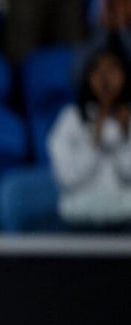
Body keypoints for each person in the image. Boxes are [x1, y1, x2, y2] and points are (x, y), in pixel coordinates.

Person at [48, 40, 131, 231]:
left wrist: (126, 136)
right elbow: (67, 177)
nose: (106, 80)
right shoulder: (70, 119)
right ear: (88, 78)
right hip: (79, 221)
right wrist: (95, 141)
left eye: (113, 71)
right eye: (98, 72)